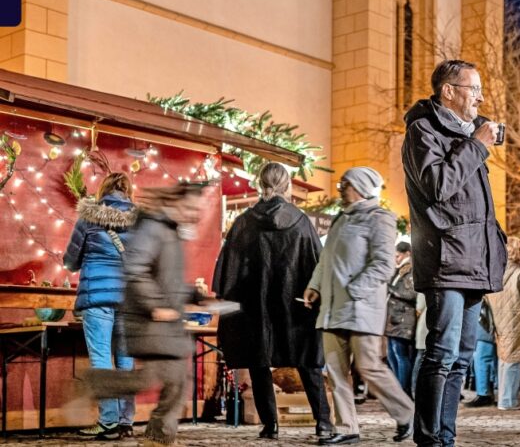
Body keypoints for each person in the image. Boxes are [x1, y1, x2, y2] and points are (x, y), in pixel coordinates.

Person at [402, 59, 508, 446]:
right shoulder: (422, 130)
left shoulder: (463, 135)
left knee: (462, 356)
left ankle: (445, 436)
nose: (480, 97)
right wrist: (477, 145)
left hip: (473, 258)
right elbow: (438, 185)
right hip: (445, 257)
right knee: (441, 352)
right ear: (448, 90)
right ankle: (429, 439)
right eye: (473, 88)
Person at [82, 182, 209, 447]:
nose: (193, 214)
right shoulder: (153, 228)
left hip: (165, 321)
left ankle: (156, 438)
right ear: (175, 202)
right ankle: (94, 384)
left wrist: (194, 295)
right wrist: (154, 305)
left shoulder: (171, 232)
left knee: (173, 381)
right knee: (156, 379)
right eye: (190, 207)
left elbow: (167, 281)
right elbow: (135, 269)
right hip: (150, 320)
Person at [212, 162, 332, 440]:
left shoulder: (244, 222)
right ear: (287, 185)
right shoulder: (300, 221)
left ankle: (270, 425)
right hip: (295, 304)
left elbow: (228, 271)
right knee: (307, 361)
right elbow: (317, 262)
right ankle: (323, 422)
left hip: (255, 308)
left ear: (259, 184)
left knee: (259, 361)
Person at [303, 167, 414, 445]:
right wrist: (315, 285)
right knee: (336, 371)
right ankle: (346, 427)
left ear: (362, 187)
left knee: (368, 366)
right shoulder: (341, 219)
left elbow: (383, 265)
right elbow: (326, 259)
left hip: (361, 307)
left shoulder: (380, 219)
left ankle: (407, 413)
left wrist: (353, 290)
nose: (340, 188)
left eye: (346, 184)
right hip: (332, 307)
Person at [63, 172, 138, 440]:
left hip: (98, 297)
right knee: (126, 362)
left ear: (103, 190)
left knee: (102, 359)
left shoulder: (89, 216)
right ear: (128, 190)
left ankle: (108, 423)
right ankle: (126, 422)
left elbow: (70, 260)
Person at [486, 237, 520, 410]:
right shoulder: (518, 273)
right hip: (517, 321)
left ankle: (504, 398)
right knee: (515, 361)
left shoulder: (495, 271)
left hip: (500, 320)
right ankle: (508, 401)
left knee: (504, 360)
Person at [385, 241, 418, 397]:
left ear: (407, 254)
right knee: (392, 356)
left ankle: (404, 391)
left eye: (397, 256)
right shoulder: (398, 271)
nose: (396, 259)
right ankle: (399, 389)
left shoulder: (412, 270)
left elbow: (411, 293)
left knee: (401, 356)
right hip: (393, 319)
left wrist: (389, 288)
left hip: (404, 320)